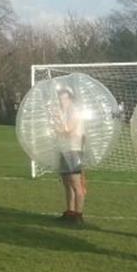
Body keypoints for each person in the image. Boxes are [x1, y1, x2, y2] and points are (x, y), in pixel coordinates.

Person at [51, 85, 86, 224]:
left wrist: (57, 123)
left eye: (64, 98)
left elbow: (68, 129)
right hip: (63, 149)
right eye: (60, 99)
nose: (62, 101)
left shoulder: (75, 112)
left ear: (70, 99)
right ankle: (70, 211)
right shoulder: (62, 111)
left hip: (74, 149)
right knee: (66, 183)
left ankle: (79, 214)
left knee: (76, 183)